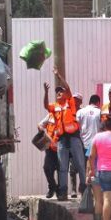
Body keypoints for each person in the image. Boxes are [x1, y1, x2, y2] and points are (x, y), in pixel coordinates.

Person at [43, 67, 86, 201]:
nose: (59, 93)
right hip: (61, 140)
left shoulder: (70, 103)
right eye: (57, 92)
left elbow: (67, 88)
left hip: (74, 138)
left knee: (80, 164)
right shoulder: (54, 106)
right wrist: (46, 92)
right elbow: (45, 105)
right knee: (63, 167)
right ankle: (62, 191)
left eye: (61, 92)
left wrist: (58, 76)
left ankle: (84, 189)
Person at [38, 113, 59, 199]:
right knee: (47, 168)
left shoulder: (65, 115)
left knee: (60, 169)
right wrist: (44, 134)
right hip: (49, 147)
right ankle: (53, 187)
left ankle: (60, 191)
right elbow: (40, 125)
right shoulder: (50, 115)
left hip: (61, 149)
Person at [68, 93, 85, 198]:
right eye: (73, 99)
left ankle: (82, 188)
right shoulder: (69, 111)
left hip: (82, 140)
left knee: (82, 166)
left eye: (77, 99)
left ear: (80, 101)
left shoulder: (83, 112)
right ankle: (73, 189)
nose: (74, 101)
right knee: (72, 166)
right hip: (72, 140)